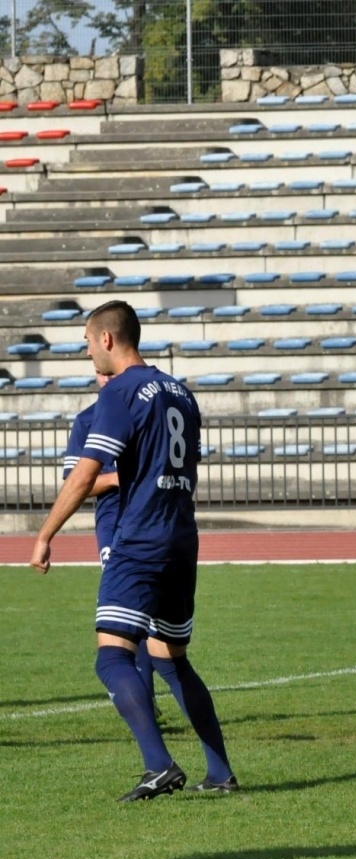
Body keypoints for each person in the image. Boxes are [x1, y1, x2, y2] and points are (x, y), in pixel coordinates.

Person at [31, 300, 237, 801]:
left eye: (85, 342)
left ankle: (158, 764)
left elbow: (83, 475)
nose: (87, 353)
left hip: (139, 537)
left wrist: (44, 534)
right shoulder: (179, 391)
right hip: (181, 537)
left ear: (106, 339)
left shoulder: (120, 392)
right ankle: (220, 772)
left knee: (111, 658)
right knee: (170, 659)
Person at [62, 374, 156, 713]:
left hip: (149, 523)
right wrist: (118, 477)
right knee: (129, 613)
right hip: (113, 522)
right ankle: (143, 695)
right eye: (102, 375)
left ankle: (143, 694)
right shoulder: (87, 420)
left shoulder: (146, 412)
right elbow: (76, 484)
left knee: (147, 615)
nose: (106, 378)